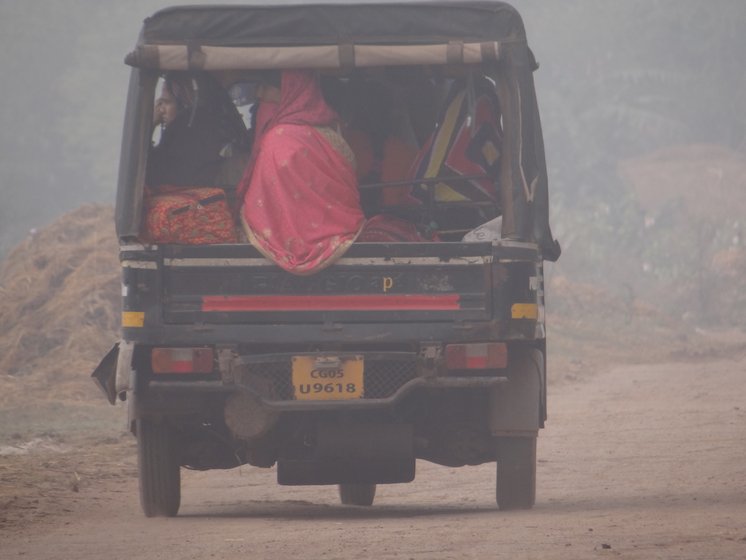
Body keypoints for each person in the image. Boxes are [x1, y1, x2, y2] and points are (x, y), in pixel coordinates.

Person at [237, 70, 365, 275]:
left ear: (289, 92)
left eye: (265, 86)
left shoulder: (277, 140)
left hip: (275, 250)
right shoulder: (331, 131)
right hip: (343, 234)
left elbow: (261, 203)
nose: (258, 94)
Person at [146, 72, 249, 188]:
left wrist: (151, 124)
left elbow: (152, 173)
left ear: (183, 101)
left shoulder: (189, 129)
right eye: (160, 103)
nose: (161, 110)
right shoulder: (202, 123)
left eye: (167, 102)